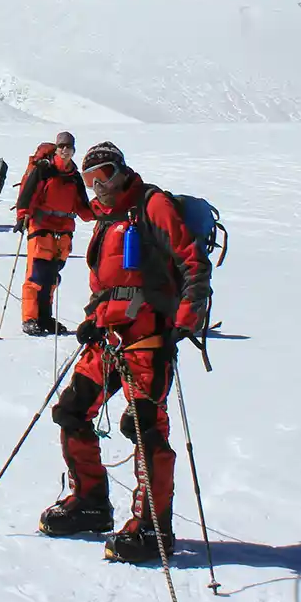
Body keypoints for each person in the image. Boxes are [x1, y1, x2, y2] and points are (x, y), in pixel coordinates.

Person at [38, 141, 213, 564]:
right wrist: (93, 315)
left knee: (145, 428)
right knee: (72, 410)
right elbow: (109, 280)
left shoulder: (153, 207)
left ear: (123, 171)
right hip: (108, 336)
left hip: (148, 338)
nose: (99, 185)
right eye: (90, 179)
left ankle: (153, 528)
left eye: (106, 174)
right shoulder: (107, 219)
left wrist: (189, 313)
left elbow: (192, 261)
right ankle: (91, 502)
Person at [13, 131, 95, 336]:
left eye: (69, 147)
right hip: (41, 228)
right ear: (57, 149)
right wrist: (22, 216)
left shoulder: (74, 176)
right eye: (62, 147)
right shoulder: (44, 170)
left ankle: (45, 317)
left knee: (51, 277)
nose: (65, 150)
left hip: (64, 232)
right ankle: (30, 318)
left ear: (74, 150)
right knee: (36, 275)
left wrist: (103, 213)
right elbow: (28, 194)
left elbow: (83, 207)